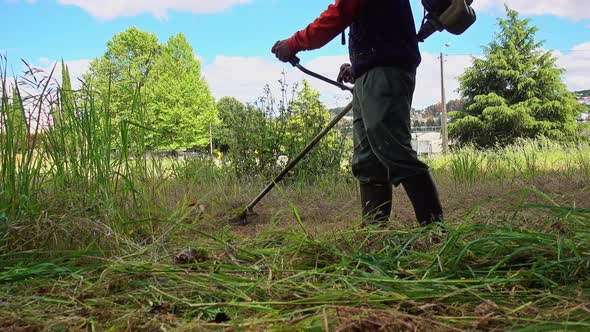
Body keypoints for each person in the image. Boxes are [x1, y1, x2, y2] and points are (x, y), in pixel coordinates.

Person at [271, 0, 443, 226]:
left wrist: (294, 43)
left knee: (393, 149)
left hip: (386, 72)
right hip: (372, 72)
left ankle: (435, 231)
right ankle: (374, 234)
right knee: (368, 159)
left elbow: (341, 12)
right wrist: (359, 67)